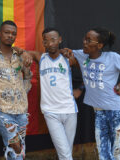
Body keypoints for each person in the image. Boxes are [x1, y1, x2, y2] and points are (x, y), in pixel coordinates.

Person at [64, 27, 120, 160]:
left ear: (99, 45)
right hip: (99, 112)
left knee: (117, 152)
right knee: (103, 152)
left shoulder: (112, 57)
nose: (84, 42)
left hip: (115, 112)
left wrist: (119, 86)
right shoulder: (82, 54)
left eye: (89, 40)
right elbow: (64, 52)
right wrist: (65, 51)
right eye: (85, 38)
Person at [16, 27, 80, 160]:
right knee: (65, 154)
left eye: (53, 40)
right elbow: (18, 51)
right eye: (46, 41)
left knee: (66, 151)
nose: (50, 44)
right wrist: (24, 53)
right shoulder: (41, 57)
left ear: (60, 40)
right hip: (51, 112)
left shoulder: (68, 58)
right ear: (43, 43)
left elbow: (87, 70)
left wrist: (81, 88)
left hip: (70, 110)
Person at [0, 20, 32, 160]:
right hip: (2, 110)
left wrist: (23, 92)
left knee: (18, 147)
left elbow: (28, 77)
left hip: (21, 110)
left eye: (13, 33)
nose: (10, 35)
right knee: (14, 145)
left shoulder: (21, 56)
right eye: (7, 32)